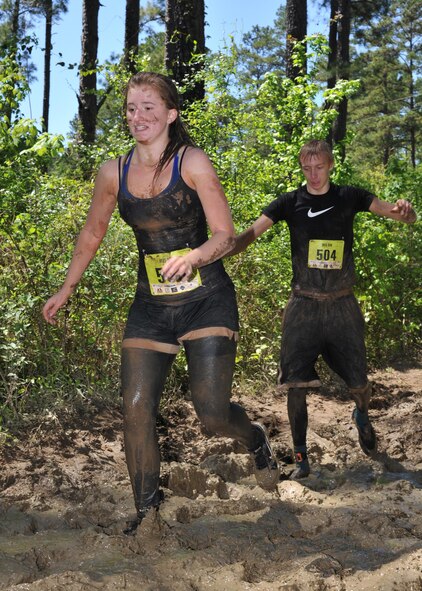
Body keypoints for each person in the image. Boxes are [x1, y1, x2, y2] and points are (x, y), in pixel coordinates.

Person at [42, 72, 279, 534]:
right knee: (134, 404)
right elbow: (93, 232)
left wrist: (194, 257)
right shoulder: (114, 171)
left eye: (149, 107)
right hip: (151, 307)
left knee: (211, 413)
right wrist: (65, 287)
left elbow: (225, 235)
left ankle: (254, 439)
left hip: (206, 300)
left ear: (170, 114)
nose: (138, 116)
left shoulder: (192, 162)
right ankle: (147, 513)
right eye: (131, 108)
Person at [229, 139, 417, 480]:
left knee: (359, 383)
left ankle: (362, 414)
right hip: (303, 307)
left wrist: (406, 211)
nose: (313, 175)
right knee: (296, 386)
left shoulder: (350, 197)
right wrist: (223, 248)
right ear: (302, 168)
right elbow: (250, 234)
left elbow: (402, 215)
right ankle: (301, 459)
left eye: (319, 167)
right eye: (307, 168)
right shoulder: (290, 202)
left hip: (343, 306)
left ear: (331, 165)